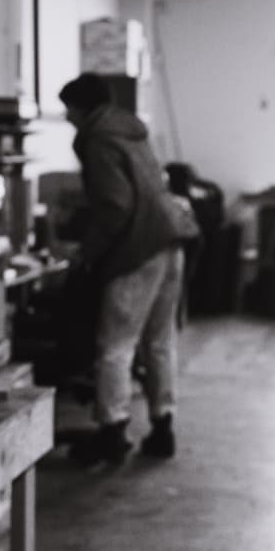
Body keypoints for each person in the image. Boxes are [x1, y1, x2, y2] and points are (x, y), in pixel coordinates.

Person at [59, 73, 199, 466]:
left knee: (115, 346)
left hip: (139, 250)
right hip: (172, 241)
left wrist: (87, 252)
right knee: (159, 342)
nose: (67, 118)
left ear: (82, 108)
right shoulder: (132, 132)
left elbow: (116, 206)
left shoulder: (97, 139)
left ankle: (112, 432)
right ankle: (162, 427)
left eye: (68, 109)